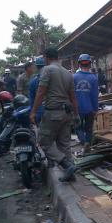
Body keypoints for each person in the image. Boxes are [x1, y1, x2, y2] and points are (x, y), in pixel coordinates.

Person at [30, 48, 79, 182]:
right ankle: (71, 173)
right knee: (64, 144)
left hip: (53, 112)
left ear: (46, 57)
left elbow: (40, 92)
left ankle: (66, 165)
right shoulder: (67, 73)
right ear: (57, 57)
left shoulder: (47, 70)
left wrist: (33, 111)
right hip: (67, 113)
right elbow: (73, 96)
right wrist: (76, 114)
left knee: (43, 141)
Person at [73, 53, 98, 150]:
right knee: (88, 128)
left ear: (79, 64)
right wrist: (95, 109)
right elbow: (94, 96)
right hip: (90, 109)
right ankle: (88, 142)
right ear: (90, 64)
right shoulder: (93, 78)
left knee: (78, 127)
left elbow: (71, 94)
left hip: (77, 108)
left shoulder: (74, 77)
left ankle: (83, 142)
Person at [29, 57, 46, 124]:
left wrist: (32, 113)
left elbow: (32, 100)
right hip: (52, 112)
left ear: (36, 67)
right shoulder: (53, 79)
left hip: (39, 112)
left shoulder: (33, 81)